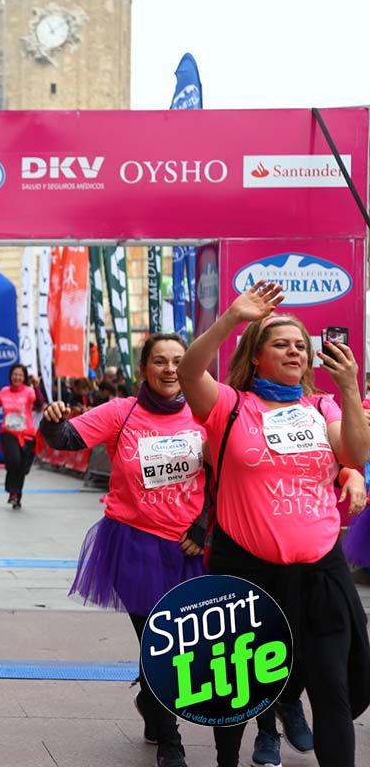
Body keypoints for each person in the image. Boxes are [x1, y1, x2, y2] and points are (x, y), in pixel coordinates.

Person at [179, 280, 370, 767]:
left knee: (333, 690)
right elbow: (188, 371)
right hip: (248, 578)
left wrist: (349, 389)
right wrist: (230, 319)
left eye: (301, 347)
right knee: (236, 696)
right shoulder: (229, 405)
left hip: (321, 576)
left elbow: (355, 453)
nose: (294, 351)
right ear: (257, 356)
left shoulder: (321, 407)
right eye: (281, 343)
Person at [39, 334, 207, 767]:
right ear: (143, 369)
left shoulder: (207, 411)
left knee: (185, 645)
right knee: (162, 642)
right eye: (160, 361)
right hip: (134, 543)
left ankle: (153, 705)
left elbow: (229, 471)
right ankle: (172, 742)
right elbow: (64, 438)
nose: (170, 369)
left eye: (178, 361)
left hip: (190, 547)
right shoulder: (121, 411)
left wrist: (204, 525)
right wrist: (50, 418)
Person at [0, 364, 42, 509]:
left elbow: (40, 404)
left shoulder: (29, 392)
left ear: (24, 378)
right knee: (14, 460)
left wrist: (36, 386)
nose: (17, 377)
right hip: (8, 433)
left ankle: (17, 495)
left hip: (27, 434)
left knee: (22, 466)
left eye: (20, 375)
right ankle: (12, 492)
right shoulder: (4, 392)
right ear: (11, 376)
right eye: (15, 374)